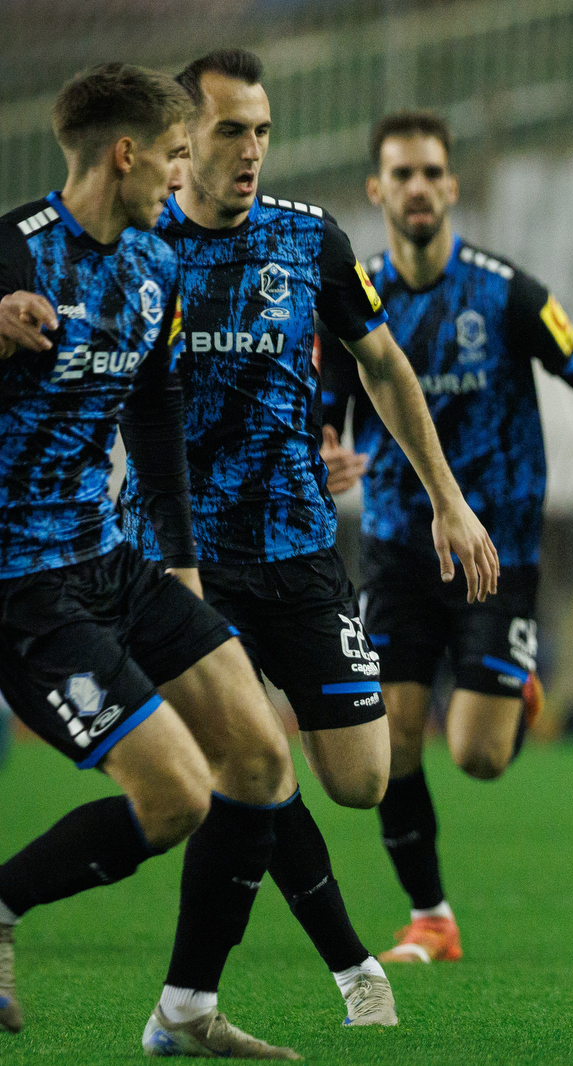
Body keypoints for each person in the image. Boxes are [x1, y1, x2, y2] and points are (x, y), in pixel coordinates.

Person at [117, 50, 498, 1026]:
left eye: (263, 130)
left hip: (302, 551)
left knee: (361, 779)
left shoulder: (312, 240)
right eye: (231, 129)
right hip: (187, 565)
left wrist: (446, 497)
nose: (251, 150)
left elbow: (383, 367)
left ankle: (216, 995)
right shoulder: (138, 244)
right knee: (252, 764)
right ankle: (315, 977)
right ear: (183, 137)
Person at [0, 62, 300, 1058]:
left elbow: (156, 403)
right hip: (23, 586)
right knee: (173, 798)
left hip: (117, 561)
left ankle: (184, 1013)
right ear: (125, 156)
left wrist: (180, 561)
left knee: (258, 758)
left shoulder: (149, 264)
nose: (184, 176)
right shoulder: (14, 252)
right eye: (176, 154)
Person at [317, 111, 573, 963]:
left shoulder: (507, 292)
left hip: (498, 547)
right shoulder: (352, 293)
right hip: (398, 543)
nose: (418, 187)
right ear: (377, 190)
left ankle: (508, 696)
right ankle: (431, 916)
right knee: (393, 738)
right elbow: (333, 397)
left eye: (432, 171)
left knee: (475, 755)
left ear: (452, 185)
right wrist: (329, 445)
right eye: (401, 174)